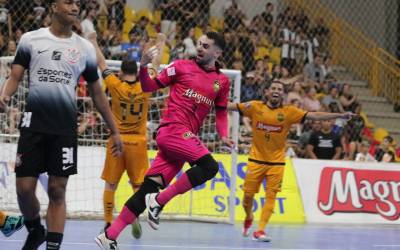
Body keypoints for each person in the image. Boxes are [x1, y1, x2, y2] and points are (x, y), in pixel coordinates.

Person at [0, 1, 123, 249]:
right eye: (68, 2)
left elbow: (98, 93)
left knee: (58, 190)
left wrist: (114, 129)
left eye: (78, 3)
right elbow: (15, 75)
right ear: (54, 6)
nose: (75, 6)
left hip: (64, 128)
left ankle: (52, 247)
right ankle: (35, 229)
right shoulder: (30, 40)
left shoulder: (85, 48)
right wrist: (5, 95)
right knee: (24, 188)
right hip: (33, 124)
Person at [95, 31, 232, 250]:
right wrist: (143, 66)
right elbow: (149, 86)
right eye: (198, 44)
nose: (199, 48)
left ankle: (109, 236)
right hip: (173, 130)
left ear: (217, 52)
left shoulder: (222, 82)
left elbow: (222, 112)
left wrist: (224, 135)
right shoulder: (180, 66)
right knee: (209, 166)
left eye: (205, 46)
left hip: (183, 140)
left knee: (147, 189)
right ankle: (159, 202)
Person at [227, 80, 355, 242]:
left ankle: (260, 230)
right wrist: (202, 99)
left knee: (271, 196)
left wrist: (339, 115)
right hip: (255, 160)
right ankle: (249, 216)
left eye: (279, 89)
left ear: (282, 94)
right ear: (267, 92)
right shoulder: (254, 107)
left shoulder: (289, 112)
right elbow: (230, 106)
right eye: (273, 88)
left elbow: (315, 116)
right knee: (247, 197)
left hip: (277, 162)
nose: (276, 91)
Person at [88, 32, 150, 239]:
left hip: (117, 140)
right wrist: (159, 42)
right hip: (138, 142)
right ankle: (134, 215)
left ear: (122, 72)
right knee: (138, 186)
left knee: (111, 185)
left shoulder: (115, 84)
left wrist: (94, 41)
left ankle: (107, 223)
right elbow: (154, 65)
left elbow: (102, 63)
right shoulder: (146, 86)